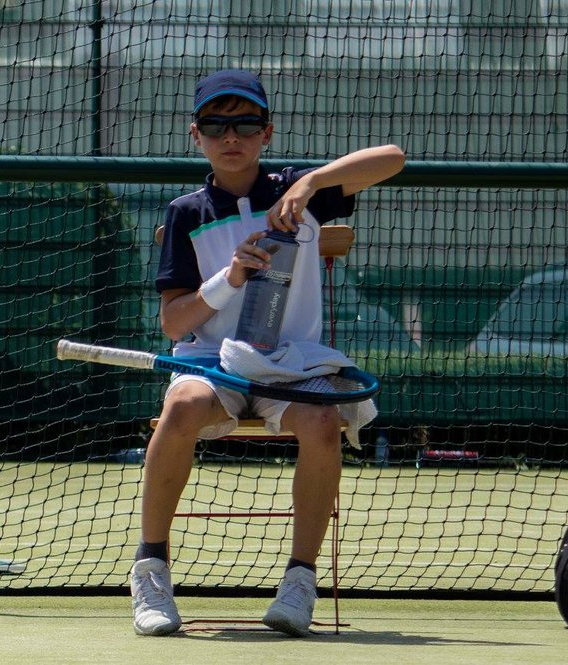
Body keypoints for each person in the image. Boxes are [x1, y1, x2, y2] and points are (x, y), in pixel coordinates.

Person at [132, 70, 405, 637]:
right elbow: (174, 323)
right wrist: (229, 277)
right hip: (211, 364)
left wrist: (311, 184)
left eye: (246, 124)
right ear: (196, 135)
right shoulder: (185, 212)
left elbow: (393, 158)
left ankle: (299, 582)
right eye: (215, 125)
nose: (231, 136)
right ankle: (151, 570)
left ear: (267, 132)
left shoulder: (301, 191)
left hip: (291, 365)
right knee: (181, 406)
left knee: (323, 421)